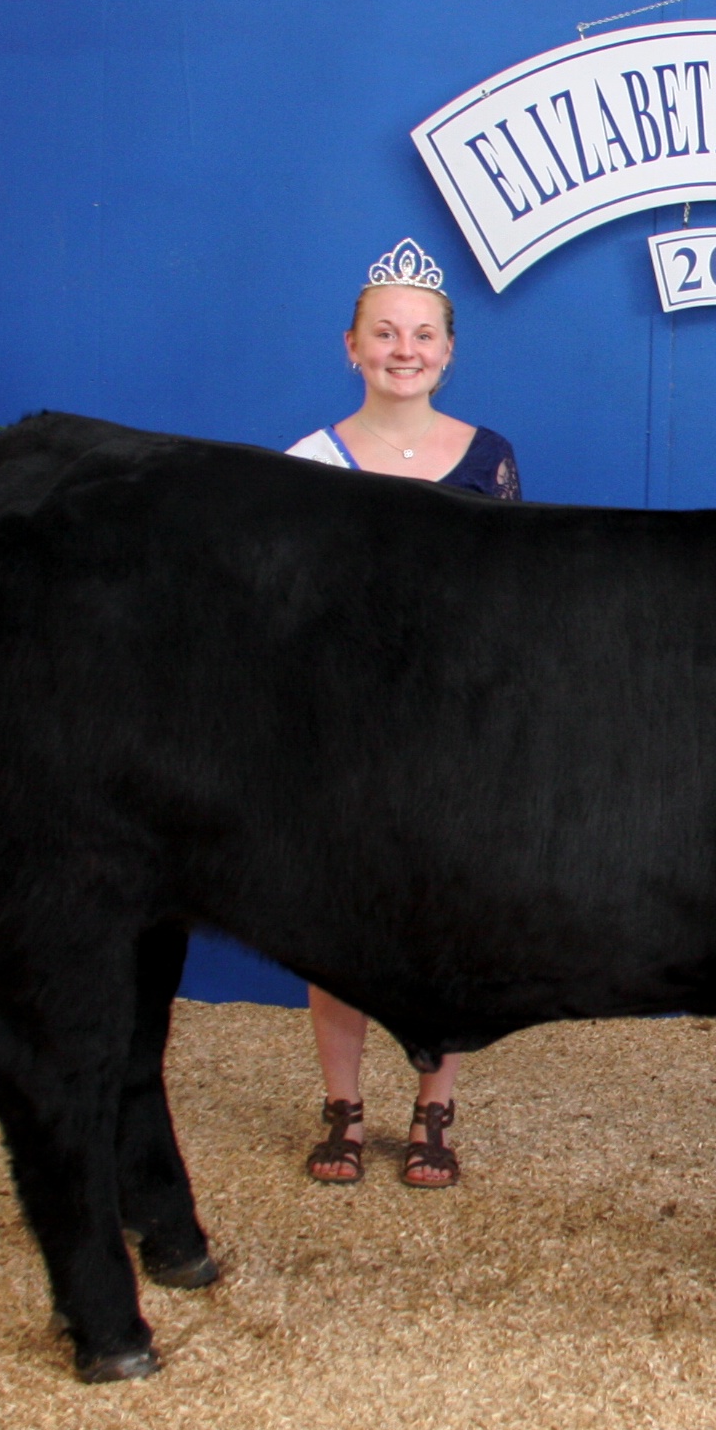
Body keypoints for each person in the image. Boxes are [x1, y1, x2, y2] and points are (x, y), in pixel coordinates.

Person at [286, 237, 521, 1189]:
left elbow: (512, 599)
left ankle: (434, 1110)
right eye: (384, 333)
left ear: (448, 350)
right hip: (343, 730)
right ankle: (342, 1108)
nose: (404, 350)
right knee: (335, 927)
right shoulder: (306, 463)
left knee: (444, 921)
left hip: (453, 729)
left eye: (422, 334)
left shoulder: (489, 458)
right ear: (351, 346)